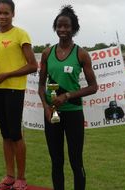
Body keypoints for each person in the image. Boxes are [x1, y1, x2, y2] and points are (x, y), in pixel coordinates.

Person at [38, 5, 98, 190]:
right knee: (56, 162)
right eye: (59, 26)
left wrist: (68, 95)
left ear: (74, 29)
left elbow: (93, 87)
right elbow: (40, 85)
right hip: (52, 115)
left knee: (76, 161)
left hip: (73, 113)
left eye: (66, 26)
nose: (62, 30)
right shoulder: (48, 53)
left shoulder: (81, 53)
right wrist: (46, 107)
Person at [0, 0, 37, 189]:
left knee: (15, 134)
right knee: (5, 134)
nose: (2, 16)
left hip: (14, 88)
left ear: (13, 14)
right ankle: (9, 175)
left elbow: (33, 65)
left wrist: (8, 74)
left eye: (6, 13)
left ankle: (21, 178)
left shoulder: (20, 34)